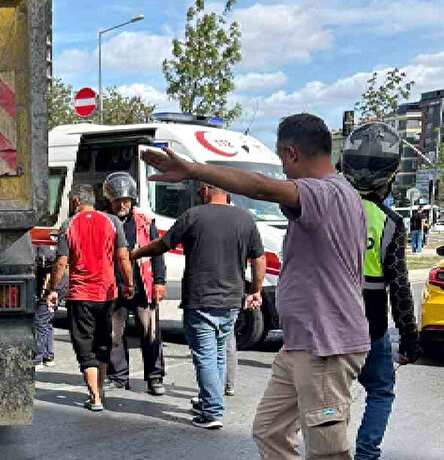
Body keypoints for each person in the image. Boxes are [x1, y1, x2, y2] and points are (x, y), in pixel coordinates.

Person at [142, 113, 369, 459]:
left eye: (282, 159)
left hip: (327, 345)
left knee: (328, 451)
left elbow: (261, 186)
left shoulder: (324, 192)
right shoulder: (338, 195)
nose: (283, 169)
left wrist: (193, 169)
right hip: (302, 343)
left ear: (292, 153)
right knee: (270, 431)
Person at [130, 182, 265, 429]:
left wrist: (135, 254)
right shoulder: (245, 219)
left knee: (205, 355)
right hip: (232, 300)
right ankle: (208, 399)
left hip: (200, 298)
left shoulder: (193, 216)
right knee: (218, 352)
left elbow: (162, 245)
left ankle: (212, 411)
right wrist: (255, 290)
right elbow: (259, 259)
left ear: (205, 189)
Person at [341, 123, 422, 460]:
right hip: (369, 324)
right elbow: (400, 286)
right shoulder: (390, 222)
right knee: (381, 391)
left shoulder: (329, 207)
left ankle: (328, 449)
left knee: (331, 393)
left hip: (328, 320)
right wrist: (409, 338)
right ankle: (366, 453)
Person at [45, 184, 134, 412]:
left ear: (75, 202)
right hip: (107, 293)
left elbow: (62, 262)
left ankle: (94, 397)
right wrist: (129, 284)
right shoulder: (112, 222)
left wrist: (53, 289)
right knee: (102, 342)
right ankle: (100, 391)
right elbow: (123, 257)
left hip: (81, 294)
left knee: (84, 344)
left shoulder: (69, 224)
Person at [101, 172, 168, 395]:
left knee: (150, 333)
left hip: (143, 287)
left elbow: (158, 253)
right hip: (112, 288)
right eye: (118, 200)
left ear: (132, 200)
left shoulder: (145, 222)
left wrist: (159, 281)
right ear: (110, 200)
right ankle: (118, 376)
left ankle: (155, 377)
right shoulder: (103, 222)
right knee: (113, 334)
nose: (122, 204)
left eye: (126, 200)